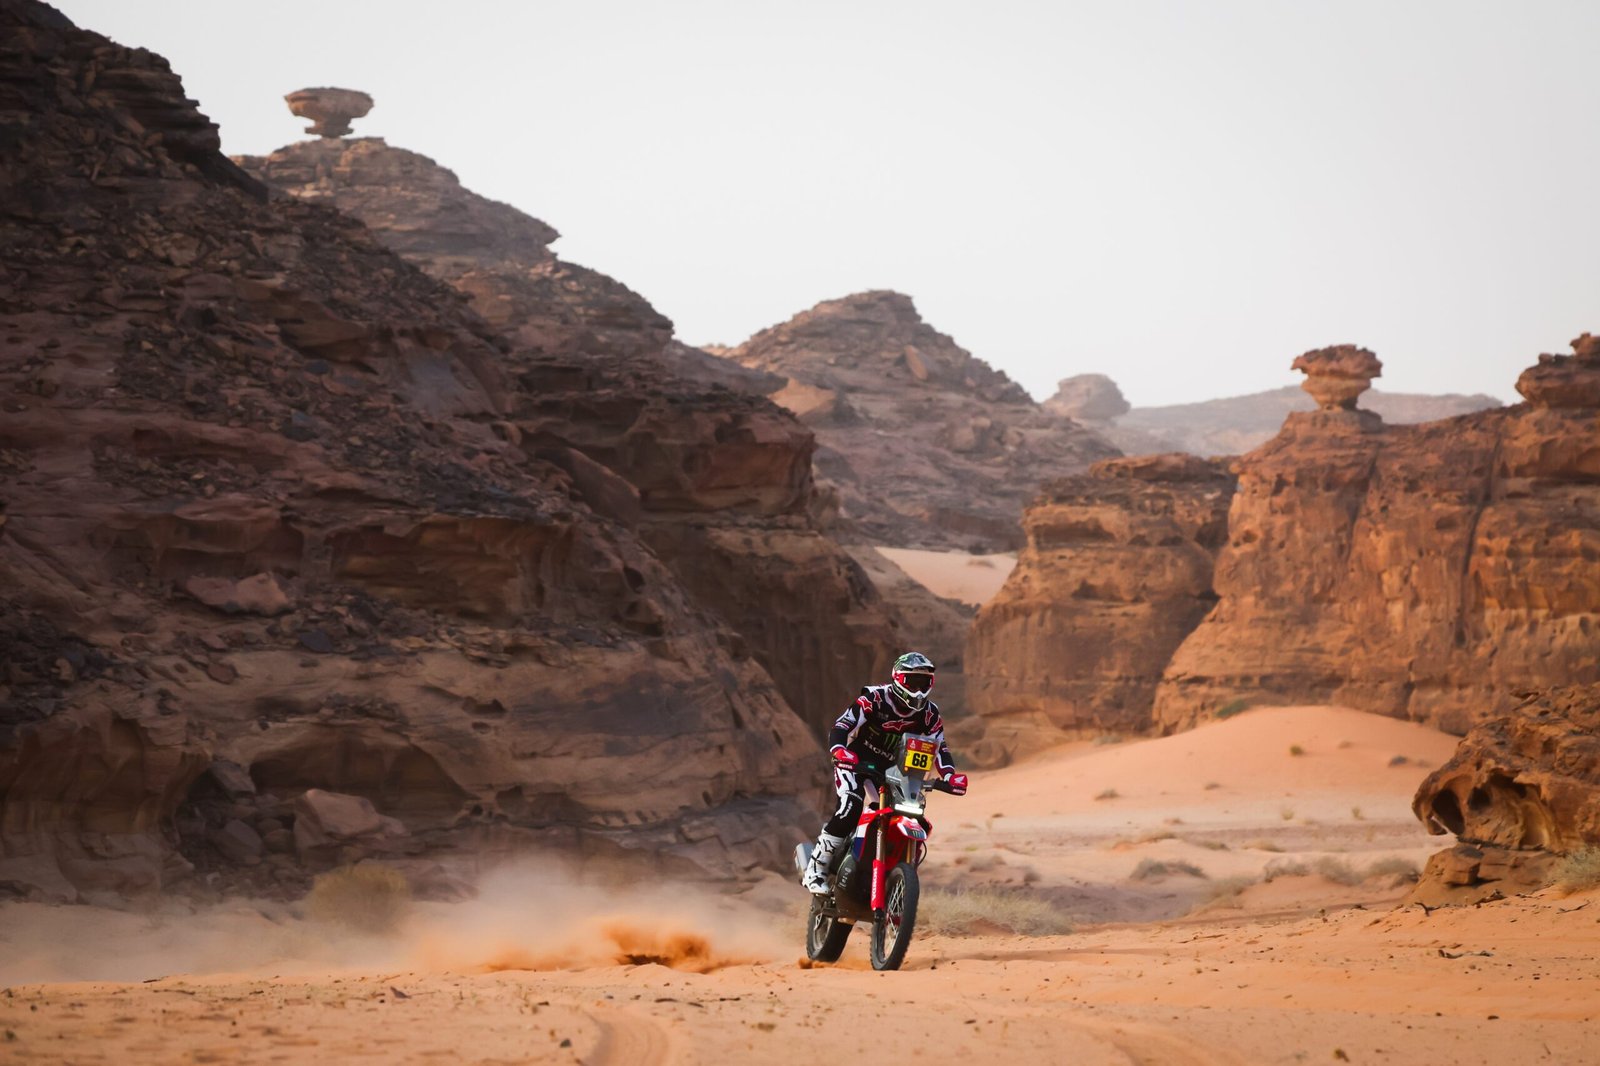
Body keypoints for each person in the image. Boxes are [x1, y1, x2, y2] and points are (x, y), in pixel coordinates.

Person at [799, 651, 968, 894]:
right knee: (850, 808)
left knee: (912, 814)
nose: (918, 689)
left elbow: (940, 747)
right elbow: (842, 726)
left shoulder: (930, 714)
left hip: (893, 772)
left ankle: (895, 877)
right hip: (855, 763)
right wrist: (840, 750)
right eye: (913, 682)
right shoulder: (875, 699)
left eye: (924, 683)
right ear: (898, 679)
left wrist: (950, 776)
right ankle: (816, 870)